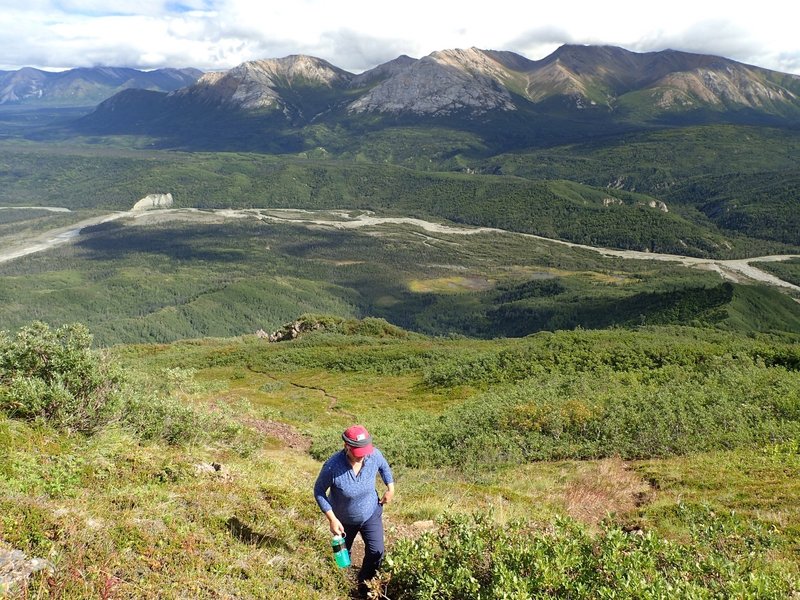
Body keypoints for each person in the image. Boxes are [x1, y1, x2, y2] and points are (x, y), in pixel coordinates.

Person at [314, 424, 395, 591]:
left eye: (365, 452)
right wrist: (332, 519)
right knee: (343, 557)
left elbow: (384, 467)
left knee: (376, 552)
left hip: (371, 512)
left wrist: (390, 488)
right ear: (347, 447)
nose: (362, 457)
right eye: (358, 453)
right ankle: (342, 586)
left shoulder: (373, 455)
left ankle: (364, 584)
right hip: (343, 520)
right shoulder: (333, 466)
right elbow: (319, 491)